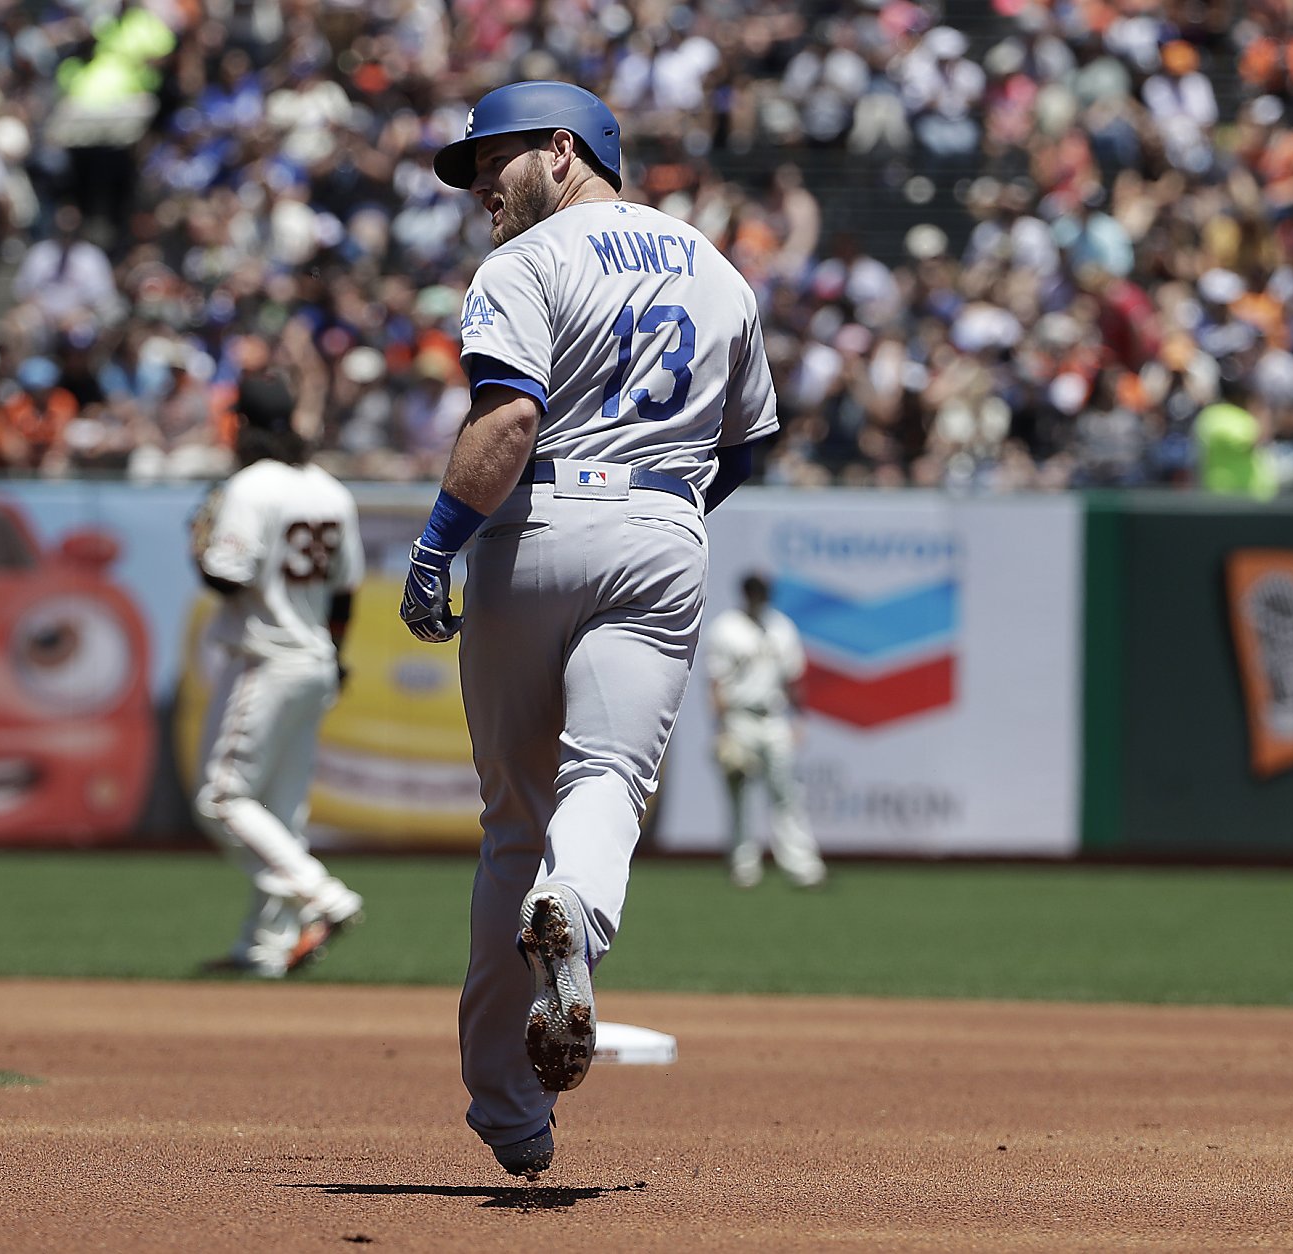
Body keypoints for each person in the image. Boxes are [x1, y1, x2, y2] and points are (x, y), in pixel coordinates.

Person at [403, 81, 776, 1180]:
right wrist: (657, 518)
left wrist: (436, 544)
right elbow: (745, 443)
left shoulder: (525, 262)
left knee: (513, 818)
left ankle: (511, 1119)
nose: (478, 183)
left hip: (537, 520)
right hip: (663, 522)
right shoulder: (716, 267)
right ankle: (572, 911)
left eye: (494, 159)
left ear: (562, 152)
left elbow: (509, 416)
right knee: (606, 776)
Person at [188, 400, 365, 979]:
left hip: (267, 656)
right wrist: (337, 655)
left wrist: (199, 548)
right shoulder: (331, 490)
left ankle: (325, 897)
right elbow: (345, 592)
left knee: (221, 797)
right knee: (280, 814)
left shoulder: (251, 485)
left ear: (244, 428)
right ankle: (266, 950)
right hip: (315, 657)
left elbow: (225, 574)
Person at [707, 573, 825, 891]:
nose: (761, 597)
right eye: (757, 591)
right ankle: (743, 867)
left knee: (786, 792)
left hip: (773, 718)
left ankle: (803, 866)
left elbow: (793, 677)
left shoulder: (781, 627)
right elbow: (716, 684)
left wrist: (799, 718)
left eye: (765, 592)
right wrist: (721, 731)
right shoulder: (726, 628)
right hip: (739, 718)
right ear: (745, 593)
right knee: (740, 794)